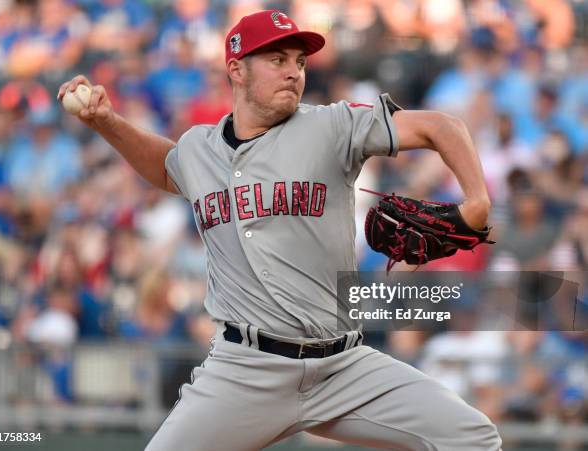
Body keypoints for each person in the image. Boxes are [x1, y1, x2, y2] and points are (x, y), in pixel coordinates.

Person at [58, 9, 501, 451]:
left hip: (343, 367)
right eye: (277, 60)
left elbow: (441, 126)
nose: (294, 72)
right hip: (244, 372)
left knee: (473, 437)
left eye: (300, 62)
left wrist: (476, 201)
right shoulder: (198, 150)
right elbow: (167, 167)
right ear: (237, 69)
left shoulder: (331, 126)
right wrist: (106, 123)